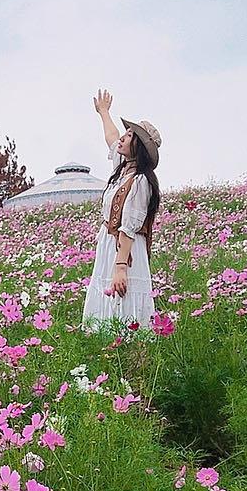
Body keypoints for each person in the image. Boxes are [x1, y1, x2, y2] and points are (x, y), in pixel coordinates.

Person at [81, 88, 161, 330]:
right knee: (107, 299)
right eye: (126, 133)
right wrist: (104, 112)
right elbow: (111, 136)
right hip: (109, 244)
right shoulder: (122, 170)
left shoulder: (140, 181)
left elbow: (128, 228)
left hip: (125, 251)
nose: (123, 138)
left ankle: (128, 353)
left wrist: (120, 267)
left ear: (139, 147)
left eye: (130, 135)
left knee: (122, 296)